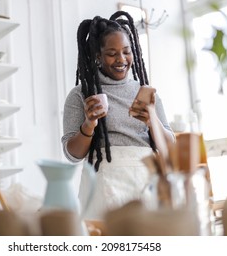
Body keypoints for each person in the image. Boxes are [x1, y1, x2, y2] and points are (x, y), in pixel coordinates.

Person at [61, 11, 175, 219]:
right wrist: (89, 124)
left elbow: (170, 147)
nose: (121, 59)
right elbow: (72, 154)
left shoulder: (146, 93)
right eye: (112, 53)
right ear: (98, 56)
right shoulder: (81, 95)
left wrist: (152, 120)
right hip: (104, 183)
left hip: (147, 181)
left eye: (126, 51)